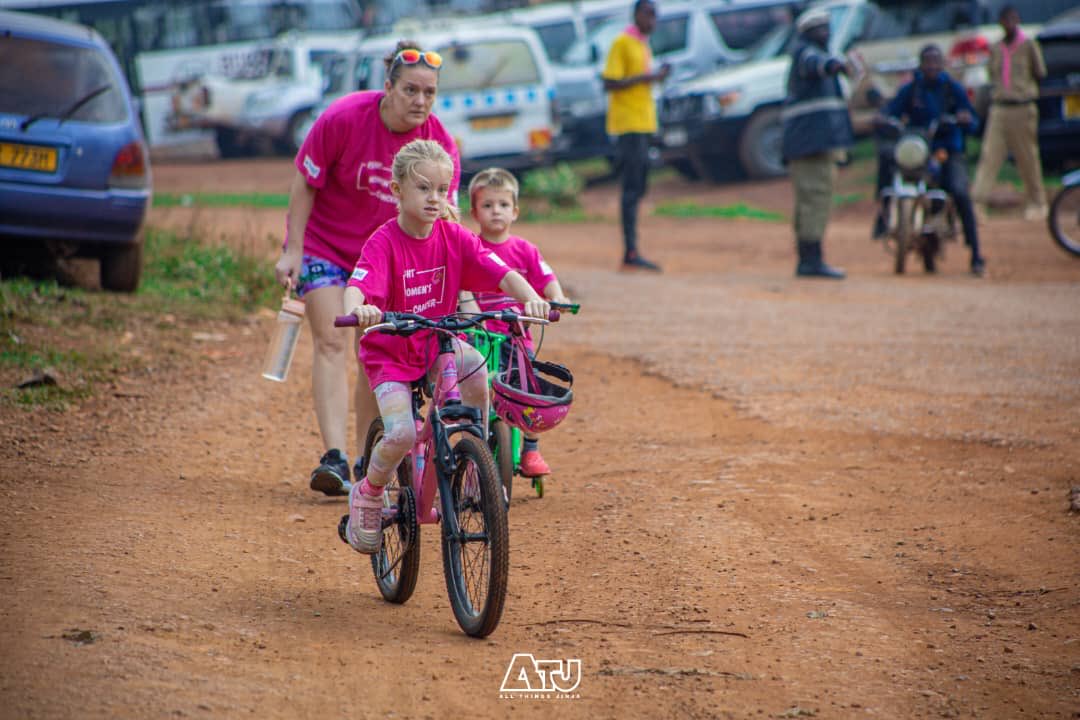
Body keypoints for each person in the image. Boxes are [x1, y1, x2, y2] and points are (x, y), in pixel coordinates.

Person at [341, 140, 550, 554]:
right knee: (400, 433)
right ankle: (368, 490)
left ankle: (476, 462)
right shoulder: (384, 242)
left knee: (476, 370)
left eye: (442, 189)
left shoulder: (454, 236)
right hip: (391, 354)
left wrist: (531, 299)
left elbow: (502, 271)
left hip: (436, 342)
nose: (435, 198)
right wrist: (359, 311)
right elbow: (356, 286)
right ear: (398, 190)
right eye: (424, 189)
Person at [273, 42, 460, 497]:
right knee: (334, 339)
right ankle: (334, 458)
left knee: (371, 351)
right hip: (326, 248)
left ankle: (363, 458)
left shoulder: (438, 144)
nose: (420, 101)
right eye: (411, 90)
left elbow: (446, 215)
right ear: (387, 87)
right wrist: (292, 249)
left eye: (430, 93)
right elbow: (306, 182)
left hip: (385, 261)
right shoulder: (342, 118)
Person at [457, 167, 572, 478]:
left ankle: (531, 449)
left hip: (517, 336)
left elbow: (548, 279)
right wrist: (467, 309)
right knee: (472, 389)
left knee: (529, 388)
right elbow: (460, 284)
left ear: (515, 211)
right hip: (478, 336)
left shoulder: (525, 250)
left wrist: (556, 300)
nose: (496, 211)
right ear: (474, 212)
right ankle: (475, 448)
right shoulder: (470, 248)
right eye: (488, 205)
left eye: (503, 205)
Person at [877, 45, 985, 277]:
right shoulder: (912, 89)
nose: (932, 67)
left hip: (947, 150)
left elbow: (973, 121)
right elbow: (891, 110)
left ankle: (976, 253)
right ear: (921, 65)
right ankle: (882, 219)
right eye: (928, 63)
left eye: (936, 62)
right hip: (920, 150)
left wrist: (964, 120)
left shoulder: (952, 89)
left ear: (942, 64)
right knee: (889, 163)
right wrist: (885, 118)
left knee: (960, 192)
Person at [781, 7, 854, 279]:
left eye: (827, 28)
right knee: (816, 198)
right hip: (810, 144)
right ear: (806, 32)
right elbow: (817, 65)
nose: (825, 33)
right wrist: (836, 65)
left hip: (809, 143)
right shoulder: (806, 53)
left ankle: (808, 258)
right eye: (818, 29)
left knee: (809, 200)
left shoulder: (808, 51)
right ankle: (811, 260)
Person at [601, 0, 670, 273]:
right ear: (637, 15)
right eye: (648, 14)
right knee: (631, 188)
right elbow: (609, 81)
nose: (653, 20)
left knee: (640, 185)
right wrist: (648, 77)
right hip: (627, 124)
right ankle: (630, 251)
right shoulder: (623, 42)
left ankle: (633, 249)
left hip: (643, 123)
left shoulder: (642, 43)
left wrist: (655, 77)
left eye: (655, 15)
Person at [971, 5, 1048, 222]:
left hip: (1023, 107)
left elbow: (1040, 73)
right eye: (1006, 20)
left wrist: (1027, 94)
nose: (1010, 24)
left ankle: (1037, 203)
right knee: (989, 157)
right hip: (999, 108)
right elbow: (990, 77)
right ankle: (977, 205)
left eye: (1014, 19)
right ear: (1001, 22)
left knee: (1028, 158)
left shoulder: (1029, 45)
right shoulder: (995, 48)